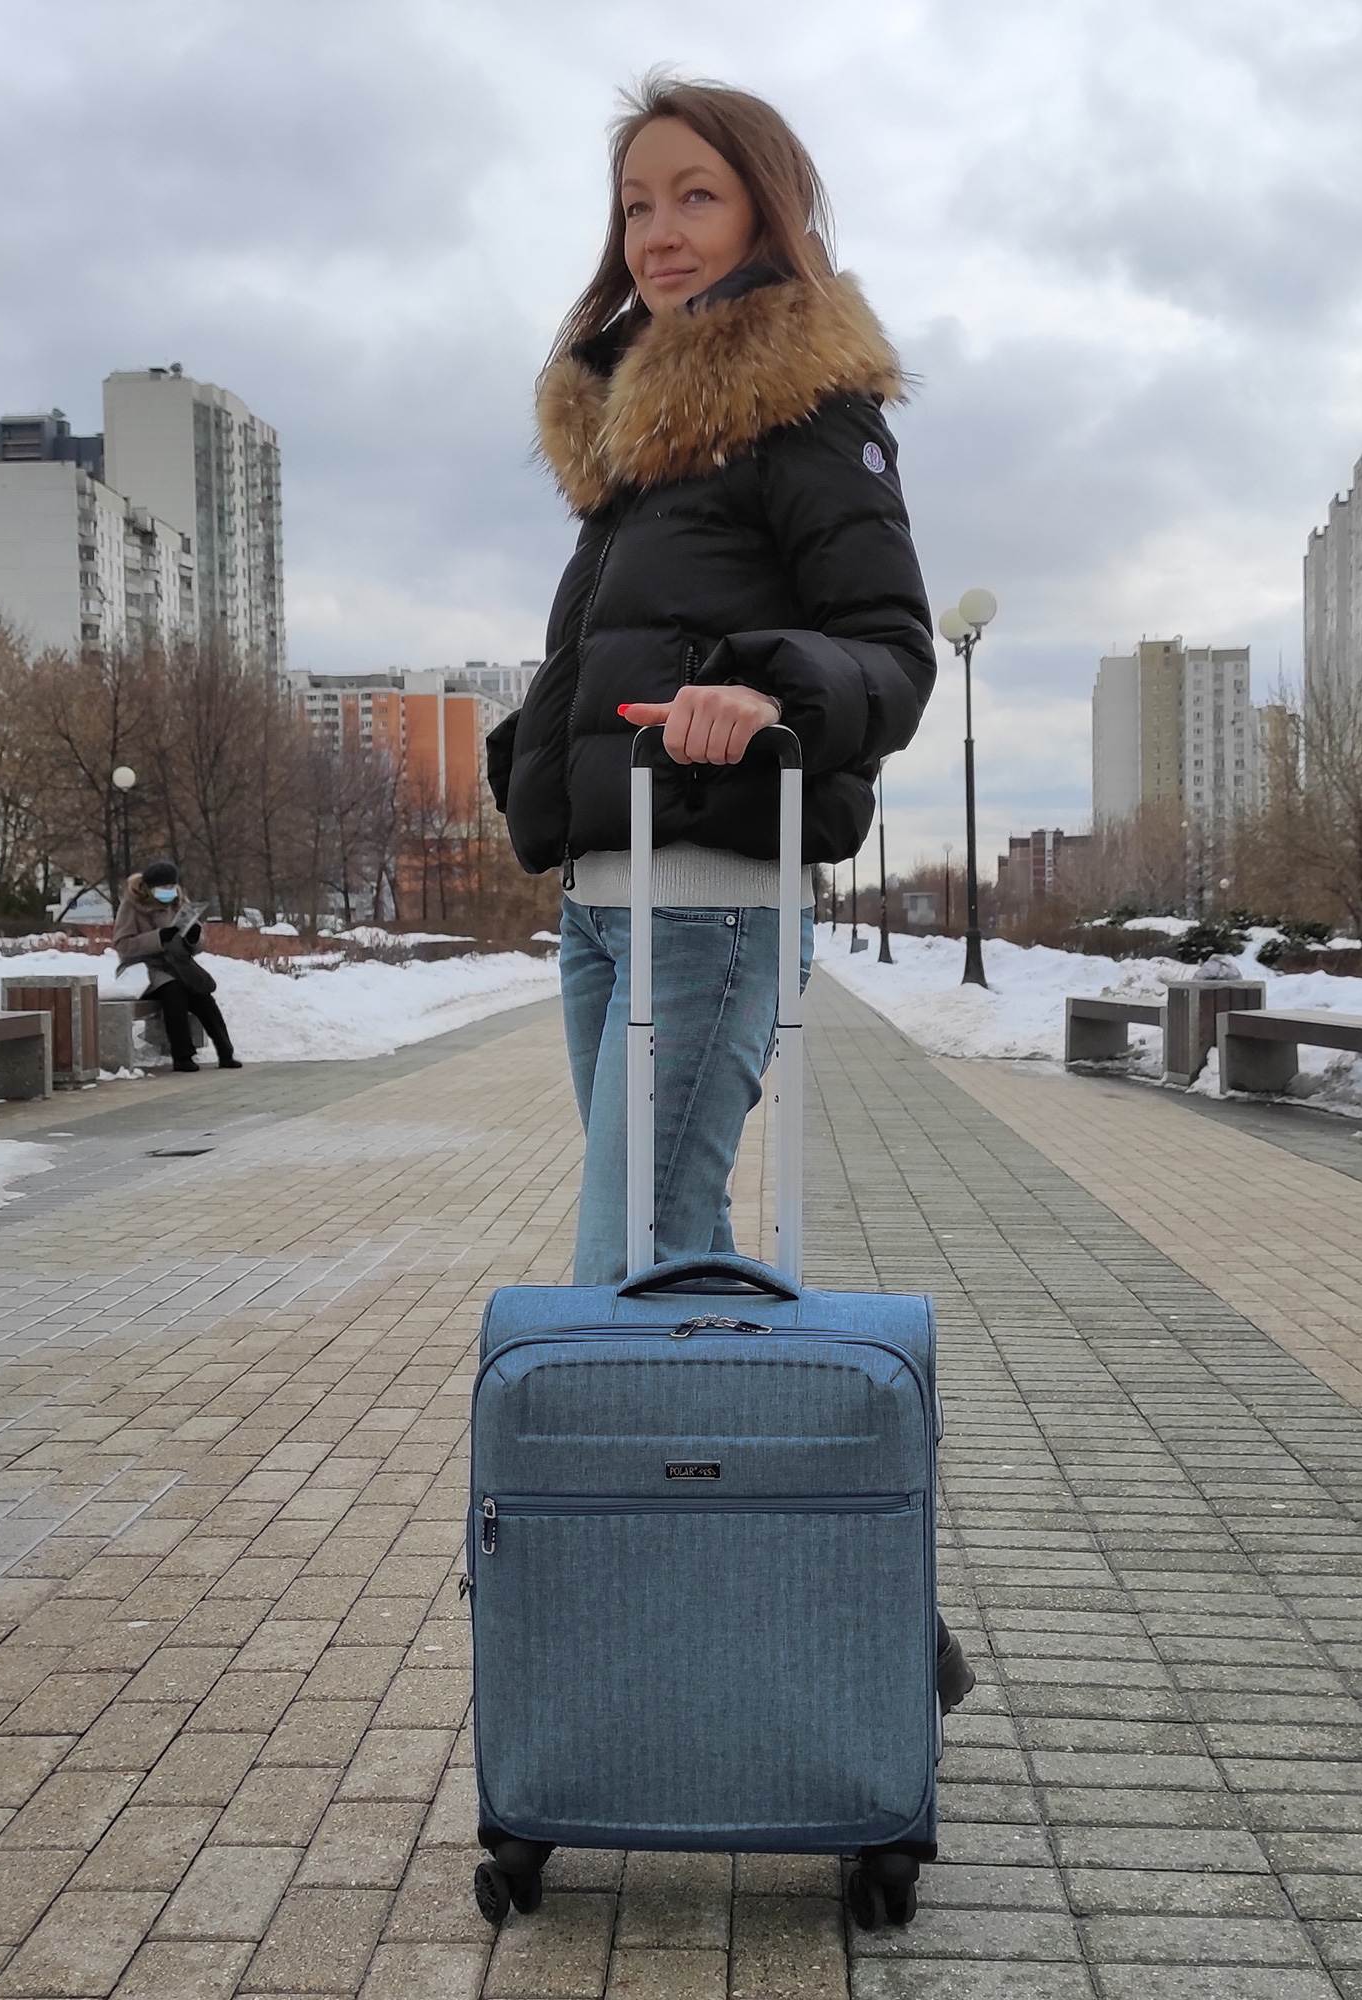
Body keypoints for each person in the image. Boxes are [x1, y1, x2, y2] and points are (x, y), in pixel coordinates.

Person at [487, 74, 969, 1710]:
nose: (661, 231)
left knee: (621, 1272)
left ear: (768, 206)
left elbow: (891, 654)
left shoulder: (801, 411)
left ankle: (734, 1618)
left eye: (695, 194)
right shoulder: (636, 444)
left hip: (708, 890)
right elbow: (606, 652)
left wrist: (766, 689)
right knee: (665, 1258)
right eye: (638, 203)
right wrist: (527, 756)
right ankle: (819, 1601)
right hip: (602, 898)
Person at [113, 859, 242, 1073]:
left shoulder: (178, 902)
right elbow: (122, 945)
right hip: (143, 968)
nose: (169, 891)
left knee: (202, 995)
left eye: (172, 886)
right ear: (149, 888)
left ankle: (225, 1052)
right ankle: (182, 1056)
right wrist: (158, 938)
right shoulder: (132, 905)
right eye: (163, 887)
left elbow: (196, 945)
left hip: (177, 964)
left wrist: (193, 938)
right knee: (174, 991)